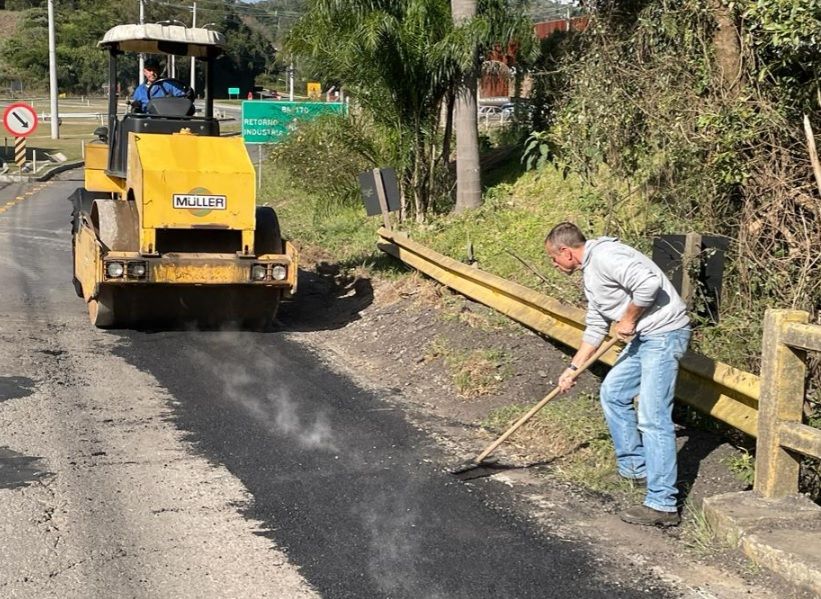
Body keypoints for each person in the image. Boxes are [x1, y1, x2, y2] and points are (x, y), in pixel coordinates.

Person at [545, 222, 691, 527]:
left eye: (553, 258)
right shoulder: (590, 273)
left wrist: (627, 318)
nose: (554, 265)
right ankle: (636, 469)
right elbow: (596, 327)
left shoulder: (606, 257)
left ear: (566, 252)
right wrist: (573, 369)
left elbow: (649, 284)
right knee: (613, 393)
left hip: (664, 335)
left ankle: (663, 503)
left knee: (652, 417)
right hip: (645, 337)